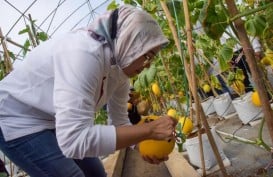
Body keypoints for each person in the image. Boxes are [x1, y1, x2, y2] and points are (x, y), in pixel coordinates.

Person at [0, 5, 177, 177]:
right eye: (147, 56)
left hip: (52, 118)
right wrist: (148, 131)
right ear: (129, 42)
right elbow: (74, 141)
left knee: (96, 173)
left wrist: (141, 146)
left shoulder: (119, 72)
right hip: (15, 117)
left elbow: (120, 123)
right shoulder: (84, 54)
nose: (147, 65)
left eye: (152, 59)